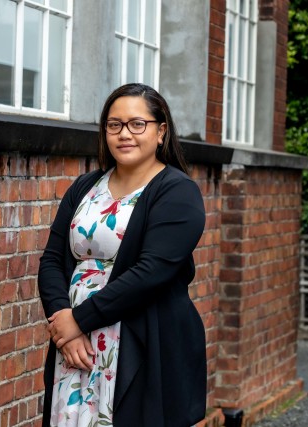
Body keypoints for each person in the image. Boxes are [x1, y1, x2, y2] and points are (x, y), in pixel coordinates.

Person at [38, 83, 207, 427]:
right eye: (114, 125)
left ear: (161, 132)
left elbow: (150, 273)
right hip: (77, 344)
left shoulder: (178, 192)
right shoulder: (85, 187)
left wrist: (77, 321)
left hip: (141, 342)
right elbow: (52, 259)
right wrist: (63, 320)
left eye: (137, 124)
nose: (124, 134)